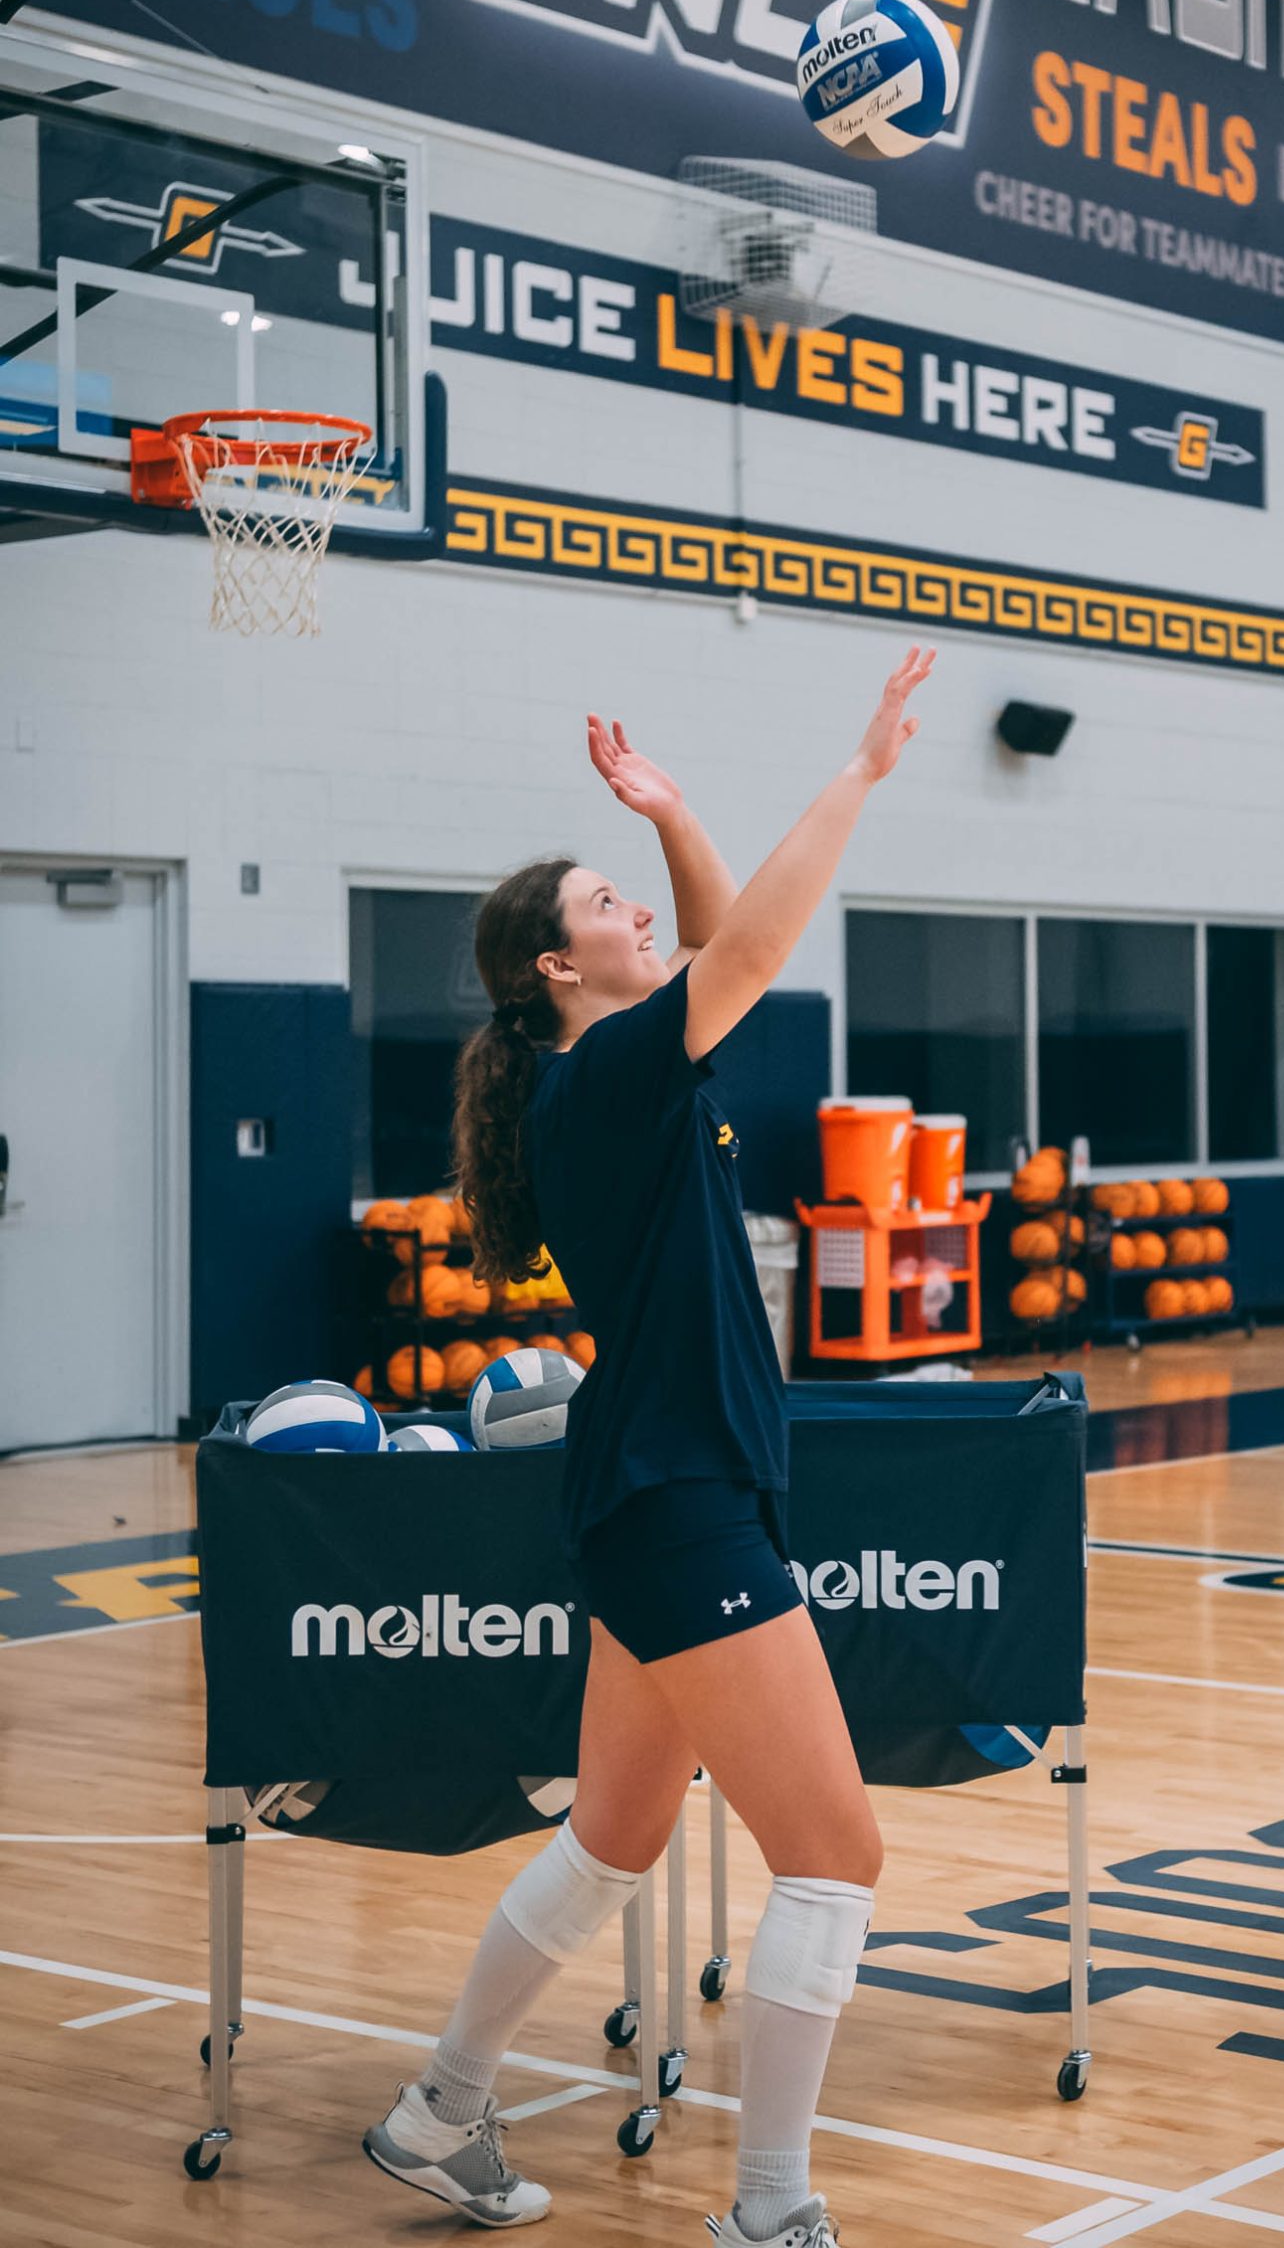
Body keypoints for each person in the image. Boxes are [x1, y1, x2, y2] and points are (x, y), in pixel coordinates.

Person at [364, 645, 936, 2239]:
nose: (635, 915)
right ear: (560, 969)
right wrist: (860, 771)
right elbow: (749, 940)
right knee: (834, 1856)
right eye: (604, 902)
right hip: (680, 1503)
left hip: (649, 1492)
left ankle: (438, 2113)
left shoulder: (613, 1068)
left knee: (611, 1843)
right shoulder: (608, 1072)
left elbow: (703, 933)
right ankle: (770, 2209)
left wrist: (671, 807)